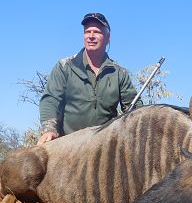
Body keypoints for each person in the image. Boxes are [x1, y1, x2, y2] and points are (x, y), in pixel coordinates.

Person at [38, 13, 142, 145]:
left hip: (105, 147)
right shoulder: (64, 67)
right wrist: (49, 129)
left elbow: (134, 108)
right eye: (87, 31)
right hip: (68, 145)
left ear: (108, 37)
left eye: (97, 32)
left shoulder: (119, 72)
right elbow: (51, 99)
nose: (91, 36)